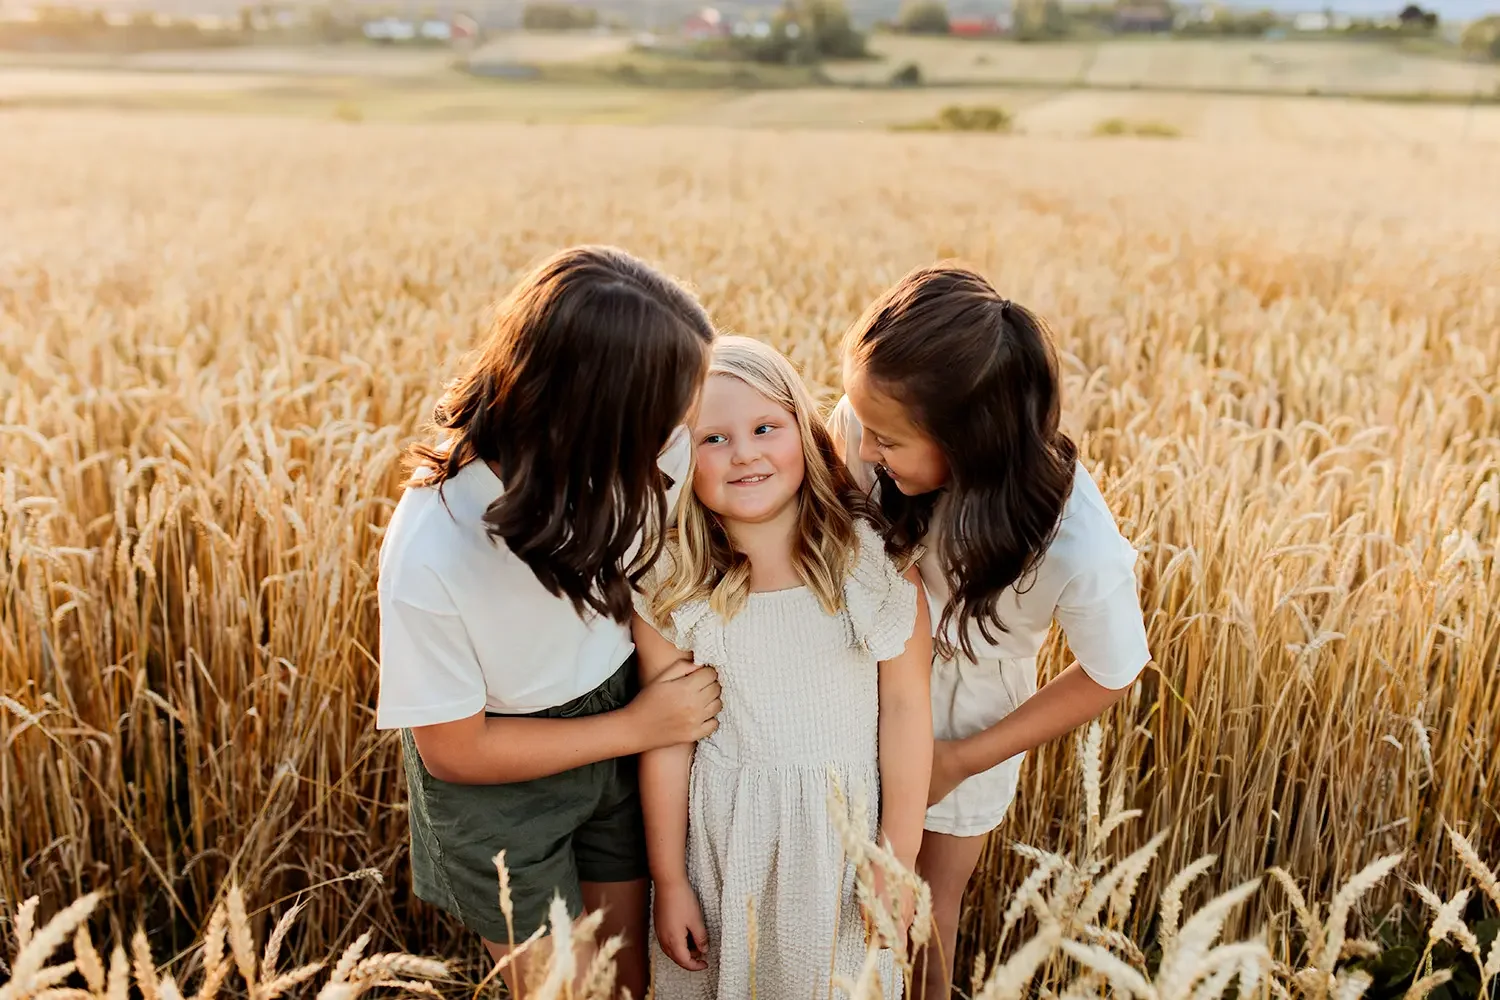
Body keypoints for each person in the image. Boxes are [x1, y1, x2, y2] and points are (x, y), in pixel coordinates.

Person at [374, 245, 725, 999]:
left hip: (622, 718)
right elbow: (456, 752)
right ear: (594, 422)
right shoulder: (435, 546)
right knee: (565, 992)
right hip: (504, 775)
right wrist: (641, 727)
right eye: (669, 416)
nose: (685, 432)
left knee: (626, 981)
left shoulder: (641, 451)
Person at [829, 263, 1154, 999]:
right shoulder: (867, 427)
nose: (862, 446)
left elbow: (1114, 669)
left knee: (923, 919)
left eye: (886, 439)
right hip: (854, 683)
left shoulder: (1076, 541)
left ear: (970, 440)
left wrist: (961, 759)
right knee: (839, 892)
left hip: (961, 723)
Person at [633, 336, 935, 1000]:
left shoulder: (864, 563)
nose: (743, 453)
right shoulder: (677, 581)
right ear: (681, 459)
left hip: (842, 851)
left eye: (765, 428)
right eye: (713, 439)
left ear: (803, 428)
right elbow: (666, 736)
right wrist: (672, 880)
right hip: (724, 846)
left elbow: (909, 711)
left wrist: (896, 860)